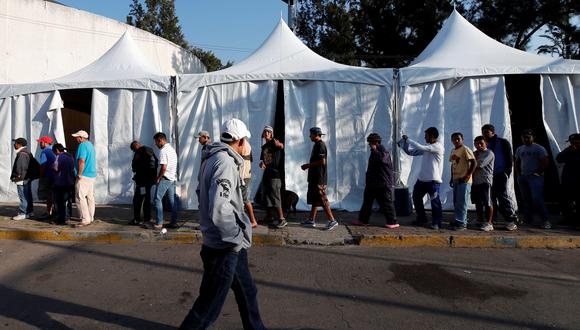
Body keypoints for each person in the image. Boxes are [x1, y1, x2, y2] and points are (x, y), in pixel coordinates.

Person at [180, 118, 265, 330]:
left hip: (226, 243)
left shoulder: (211, 158)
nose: (246, 144)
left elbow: (201, 193)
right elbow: (220, 207)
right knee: (208, 306)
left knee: (247, 291)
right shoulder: (225, 162)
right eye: (245, 140)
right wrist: (236, 237)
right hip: (224, 246)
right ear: (240, 140)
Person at [398, 127, 445, 230]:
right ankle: (422, 219)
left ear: (432, 136)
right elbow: (410, 152)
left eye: (426, 135)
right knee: (416, 198)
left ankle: (437, 223)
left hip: (433, 181)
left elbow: (420, 147)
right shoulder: (428, 147)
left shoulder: (437, 147)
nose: (425, 137)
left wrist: (408, 139)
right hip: (422, 180)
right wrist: (405, 143)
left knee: (435, 202)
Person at [351, 133, 398, 228]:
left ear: (375, 142)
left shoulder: (383, 151)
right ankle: (363, 220)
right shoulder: (375, 151)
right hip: (373, 183)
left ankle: (392, 222)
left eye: (370, 143)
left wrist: (374, 150)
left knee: (387, 203)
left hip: (382, 183)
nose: (369, 145)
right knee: (367, 202)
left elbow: (381, 160)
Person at [300, 127, 339, 230]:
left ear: (316, 135)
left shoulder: (321, 145)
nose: (309, 136)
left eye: (311, 134)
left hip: (319, 178)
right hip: (314, 177)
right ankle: (311, 220)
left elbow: (322, 162)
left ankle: (332, 220)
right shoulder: (316, 145)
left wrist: (308, 165)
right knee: (315, 199)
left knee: (322, 198)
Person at [481, 124, 518, 231]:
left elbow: (509, 158)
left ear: (493, 132)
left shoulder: (502, 142)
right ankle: (492, 220)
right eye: (483, 132)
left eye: (487, 132)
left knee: (502, 197)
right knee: (490, 198)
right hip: (488, 175)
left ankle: (510, 221)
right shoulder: (484, 143)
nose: (485, 134)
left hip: (500, 174)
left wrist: (507, 172)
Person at [514, 129, 551, 229]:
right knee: (526, 199)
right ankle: (528, 219)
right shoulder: (520, 149)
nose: (525, 139)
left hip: (535, 177)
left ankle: (545, 220)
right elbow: (517, 161)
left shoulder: (539, 148)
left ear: (533, 137)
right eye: (524, 137)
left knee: (537, 198)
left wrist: (538, 172)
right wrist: (518, 175)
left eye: (528, 137)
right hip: (523, 177)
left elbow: (545, 161)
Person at [259, 125, 286, 228]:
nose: (267, 133)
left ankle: (282, 219)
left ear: (271, 134)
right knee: (267, 196)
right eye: (265, 131)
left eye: (269, 132)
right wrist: (262, 164)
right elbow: (265, 161)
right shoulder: (264, 147)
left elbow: (281, 146)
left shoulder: (273, 142)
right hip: (267, 173)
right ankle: (269, 217)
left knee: (275, 197)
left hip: (275, 174)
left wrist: (280, 145)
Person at [448, 132, 476, 230]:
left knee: (462, 202)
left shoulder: (465, 149)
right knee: (456, 201)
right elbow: (453, 164)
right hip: (456, 179)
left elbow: (474, 162)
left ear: (462, 139)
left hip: (464, 180)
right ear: (451, 140)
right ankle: (457, 219)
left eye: (458, 139)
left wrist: (468, 175)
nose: (456, 141)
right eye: (454, 139)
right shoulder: (453, 150)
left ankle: (462, 223)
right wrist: (452, 177)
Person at [129, 141, 158, 226]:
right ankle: (147, 218)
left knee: (137, 200)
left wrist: (138, 175)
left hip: (142, 182)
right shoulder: (151, 151)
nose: (134, 152)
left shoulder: (139, 153)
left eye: (133, 150)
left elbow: (134, 167)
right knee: (147, 199)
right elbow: (155, 164)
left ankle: (137, 219)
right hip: (149, 181)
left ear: (135, 147)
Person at [153, 132, 178, 230]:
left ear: (160, 140)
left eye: (156, 142)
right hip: (172, 178)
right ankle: (174, 222)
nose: (156, 144)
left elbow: (163, 167)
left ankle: (159, 223)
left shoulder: (163, 151)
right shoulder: (172, 150)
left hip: (165, 178)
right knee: (172, 201)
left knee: (157, 199)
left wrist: (158, 177)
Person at [72, 130, 97, 227]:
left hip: (84, 175)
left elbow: (82, 160)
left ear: (81, 138)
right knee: (90, 197)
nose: (76, 139)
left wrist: (79, 174)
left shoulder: (82, 145)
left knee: (80, 197)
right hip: (91, 175)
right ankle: (90, 217)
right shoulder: (90, 145)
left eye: (77, 137)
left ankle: (85, 219)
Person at [471, 136, 495, 232]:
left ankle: (489, 223)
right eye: (476, 144)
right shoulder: (475, 153)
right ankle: (480, 220)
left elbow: (479, 165)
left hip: (485, 181)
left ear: (486, 143)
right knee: (478, 202)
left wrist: (471, 164)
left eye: (481, 143)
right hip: (476, 181)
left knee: (487, 202)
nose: (479, 145)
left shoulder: (489, 153)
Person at [556, 133, 580, 226]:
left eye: (575, 142)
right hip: (568, 181)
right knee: (565, 202)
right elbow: (559, 159)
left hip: (578, 182)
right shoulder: (569, 150)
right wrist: (569, 151)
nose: (573, 144)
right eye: (571, 142)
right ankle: (568, 219)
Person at [10, 137, 34, 220]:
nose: (14, 144)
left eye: (15, 143)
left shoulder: (22, 154)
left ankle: (23, 213)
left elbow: (21, 167)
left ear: (19, 144)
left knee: (23, 195)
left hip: (22, 179)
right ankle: (29, 212)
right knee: (28, 195)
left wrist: (18, 177)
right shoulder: (27, 152)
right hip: (26, 178)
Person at [51, 143, 74, 225]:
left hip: (60, 182)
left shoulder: (58, 157)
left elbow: (56, 168)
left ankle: (61, 219)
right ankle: (68, 216)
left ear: (57, 150)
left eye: (54, 152)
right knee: (68, 200)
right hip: (70, 182)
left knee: (60, 202)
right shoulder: (70, 156)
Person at [240, 137, 258, 228]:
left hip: (243, 176)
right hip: (244, 174)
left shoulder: (244, 144)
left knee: (244, 198)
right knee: (241, 199)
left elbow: (242, 154)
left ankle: (253, 220)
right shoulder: (247, 144)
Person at [37, 136, 56, 220]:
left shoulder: (45, 152)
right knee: (54, 195)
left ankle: (49, 213)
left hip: (48, 177)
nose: (40, 144)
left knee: (48, 196)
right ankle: (54, 212)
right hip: (56, 176)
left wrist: (40, 176)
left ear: (45, 143)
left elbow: (43, 165)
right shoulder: (55, 150)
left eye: (41, 142)